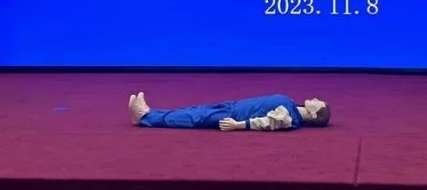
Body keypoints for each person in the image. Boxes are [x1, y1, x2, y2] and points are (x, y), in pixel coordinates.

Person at [128, 92, 330, 131]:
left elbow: (267, 122)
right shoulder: (291, 105)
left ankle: (146, 116)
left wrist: (238, 125)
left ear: (314, 115)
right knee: (194, 111)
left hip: (232, 116)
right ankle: (150, 113)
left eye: (318, 103)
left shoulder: (289, 117)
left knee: (192, 118)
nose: (315, 99)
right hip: (233, 106)